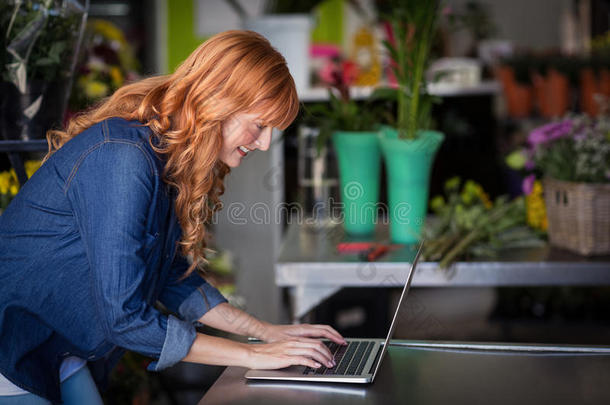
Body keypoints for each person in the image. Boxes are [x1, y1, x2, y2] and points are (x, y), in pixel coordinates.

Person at [0, 30, 346, 404]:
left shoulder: (161, 157)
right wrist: (254, 355)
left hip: (55, 351)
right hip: (12, 352)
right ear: (219, 101)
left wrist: (268, 332)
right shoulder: (123, 158)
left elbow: (171, 278)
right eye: (259, 125)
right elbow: (124, 319)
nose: (263, 143)